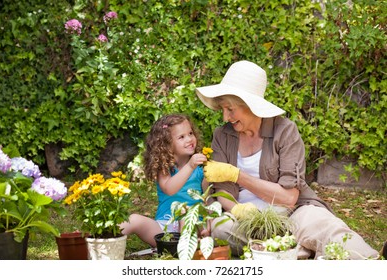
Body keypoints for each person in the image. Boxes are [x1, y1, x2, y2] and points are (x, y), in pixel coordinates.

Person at [195, 60, 379, 259]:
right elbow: (222, 191)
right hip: (244, 220)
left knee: (327, 227)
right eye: (222, 109)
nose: (225, 117)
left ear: (250, 105)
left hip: (291, 212)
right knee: (221, 229)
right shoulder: (222, 136)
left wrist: (238, 176)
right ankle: (295, 247)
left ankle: (371, 262)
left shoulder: (285, 131)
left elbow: (289, 197)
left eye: (230, 109)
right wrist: (239, 210)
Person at [119, 113, 209, 247]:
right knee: (133, 220)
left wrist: (208, 224)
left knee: (185, 214)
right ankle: (101, 236)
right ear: (167, 144)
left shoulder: (201, 168)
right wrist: (190, 166)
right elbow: (169, 188)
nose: (189, 139)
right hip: (163, 229)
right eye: (181, 137)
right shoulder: (165, 167)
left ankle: (183, 250)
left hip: (192, 225)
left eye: (190, 133)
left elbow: (208, 198)